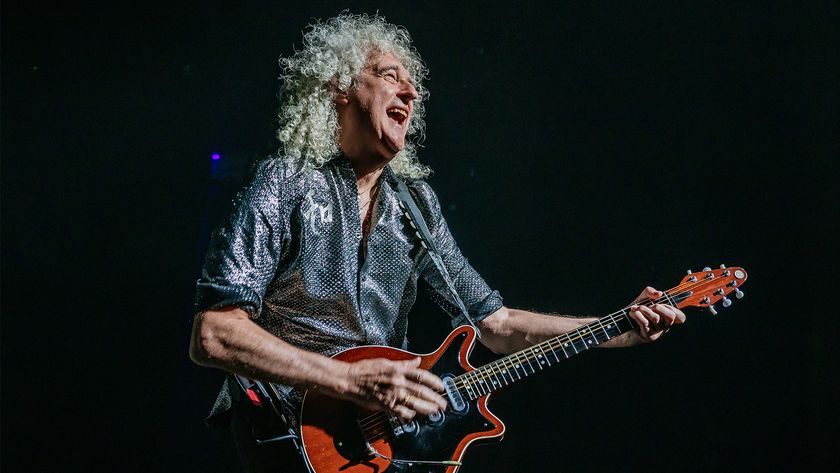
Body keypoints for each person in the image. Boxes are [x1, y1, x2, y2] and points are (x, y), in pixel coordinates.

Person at [188, 13, 685, 473]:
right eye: (389, 75)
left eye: (414, 86)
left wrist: (617, 327)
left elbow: (496, 324)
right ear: (339, 87)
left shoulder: (415, 205)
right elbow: (214, 333)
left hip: (377, 449)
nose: (410, 92)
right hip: (285, 434)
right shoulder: (285, 181)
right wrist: (346, 380)